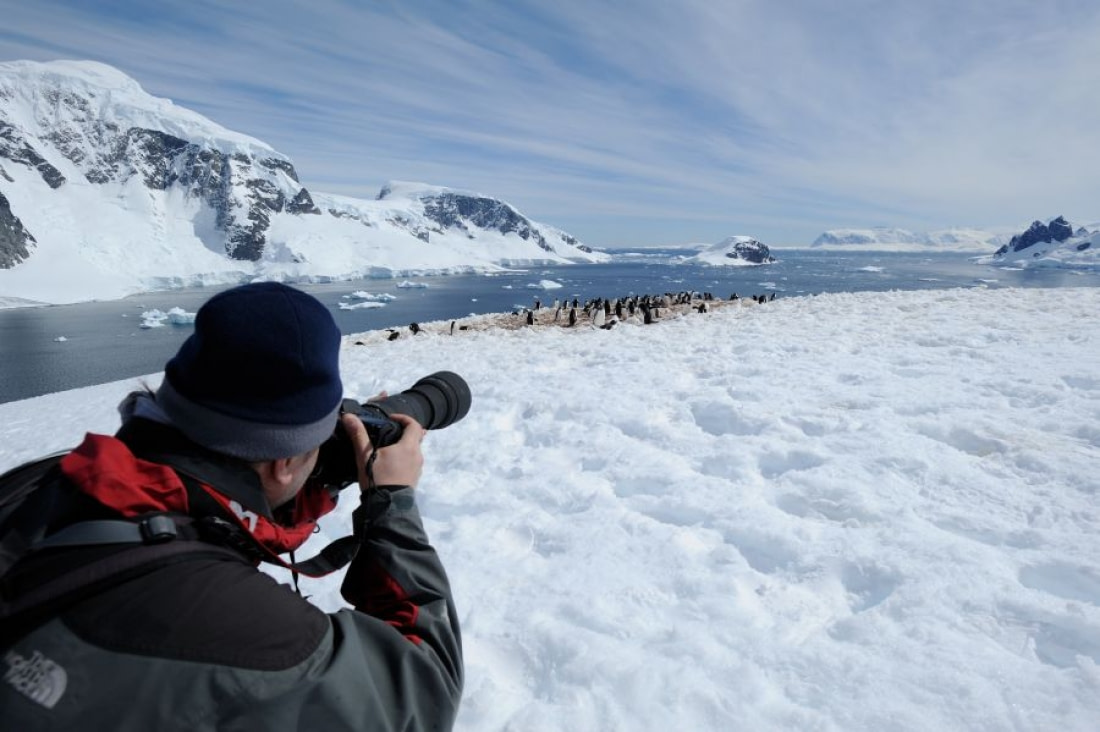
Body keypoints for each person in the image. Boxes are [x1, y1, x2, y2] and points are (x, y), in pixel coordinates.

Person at [0, 282, 463, 730]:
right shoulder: (246, 629)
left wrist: (313, 475)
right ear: (284, 463)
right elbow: (420, 696)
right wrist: (391, 499)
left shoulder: (39, 483)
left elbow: (210, 497)